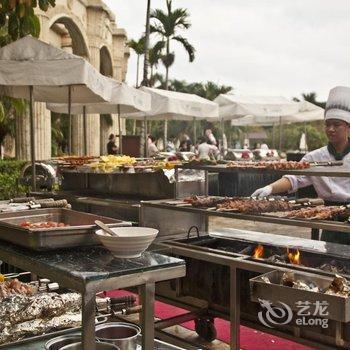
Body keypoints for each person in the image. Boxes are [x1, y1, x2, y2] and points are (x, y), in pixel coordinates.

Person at [251, 86, 350, 244]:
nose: (330, 129)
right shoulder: (315, 156)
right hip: (328, 218)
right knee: (332, 261)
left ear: (348, 127)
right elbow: (294, 178)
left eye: (336, 125)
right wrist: (269, 188)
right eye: (327, 124)